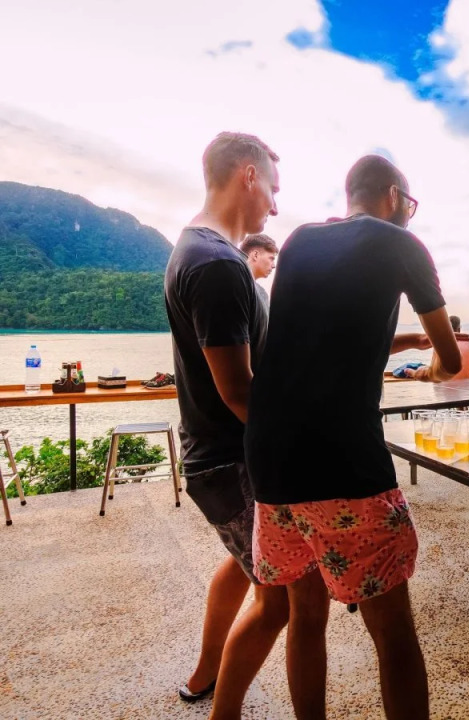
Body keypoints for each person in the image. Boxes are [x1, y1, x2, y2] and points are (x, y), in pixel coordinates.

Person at [245, 155, 461, 720]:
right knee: (391, 629)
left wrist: (403, 343)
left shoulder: (299, 241)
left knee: (305, 614)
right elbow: (453, 360)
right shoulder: (401, 243)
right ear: (393, 195)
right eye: (410, 204)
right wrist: (434, 367)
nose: (409, 214)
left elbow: (324, 337)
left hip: (272, 459)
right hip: (342, 460)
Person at [163, 131, 290, 719]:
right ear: (248, 175)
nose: (275, 205)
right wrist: (296, 444)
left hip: (214, 457)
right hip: (229, 461)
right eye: (273, 189)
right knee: (279, 602)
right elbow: (238, 391)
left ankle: (205, 672)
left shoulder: (199, 249)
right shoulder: (216, 264)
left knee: (241, 567)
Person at [240, 233, 278, 309]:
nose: (274, 266)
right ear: (255, 255)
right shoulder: (235, 284)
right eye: (271, 258)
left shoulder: (262, 294)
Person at [440, 315, 469, 380]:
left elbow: (437, 369)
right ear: (459, 329)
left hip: (447, 384)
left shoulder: (442, 343)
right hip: (468, 384)